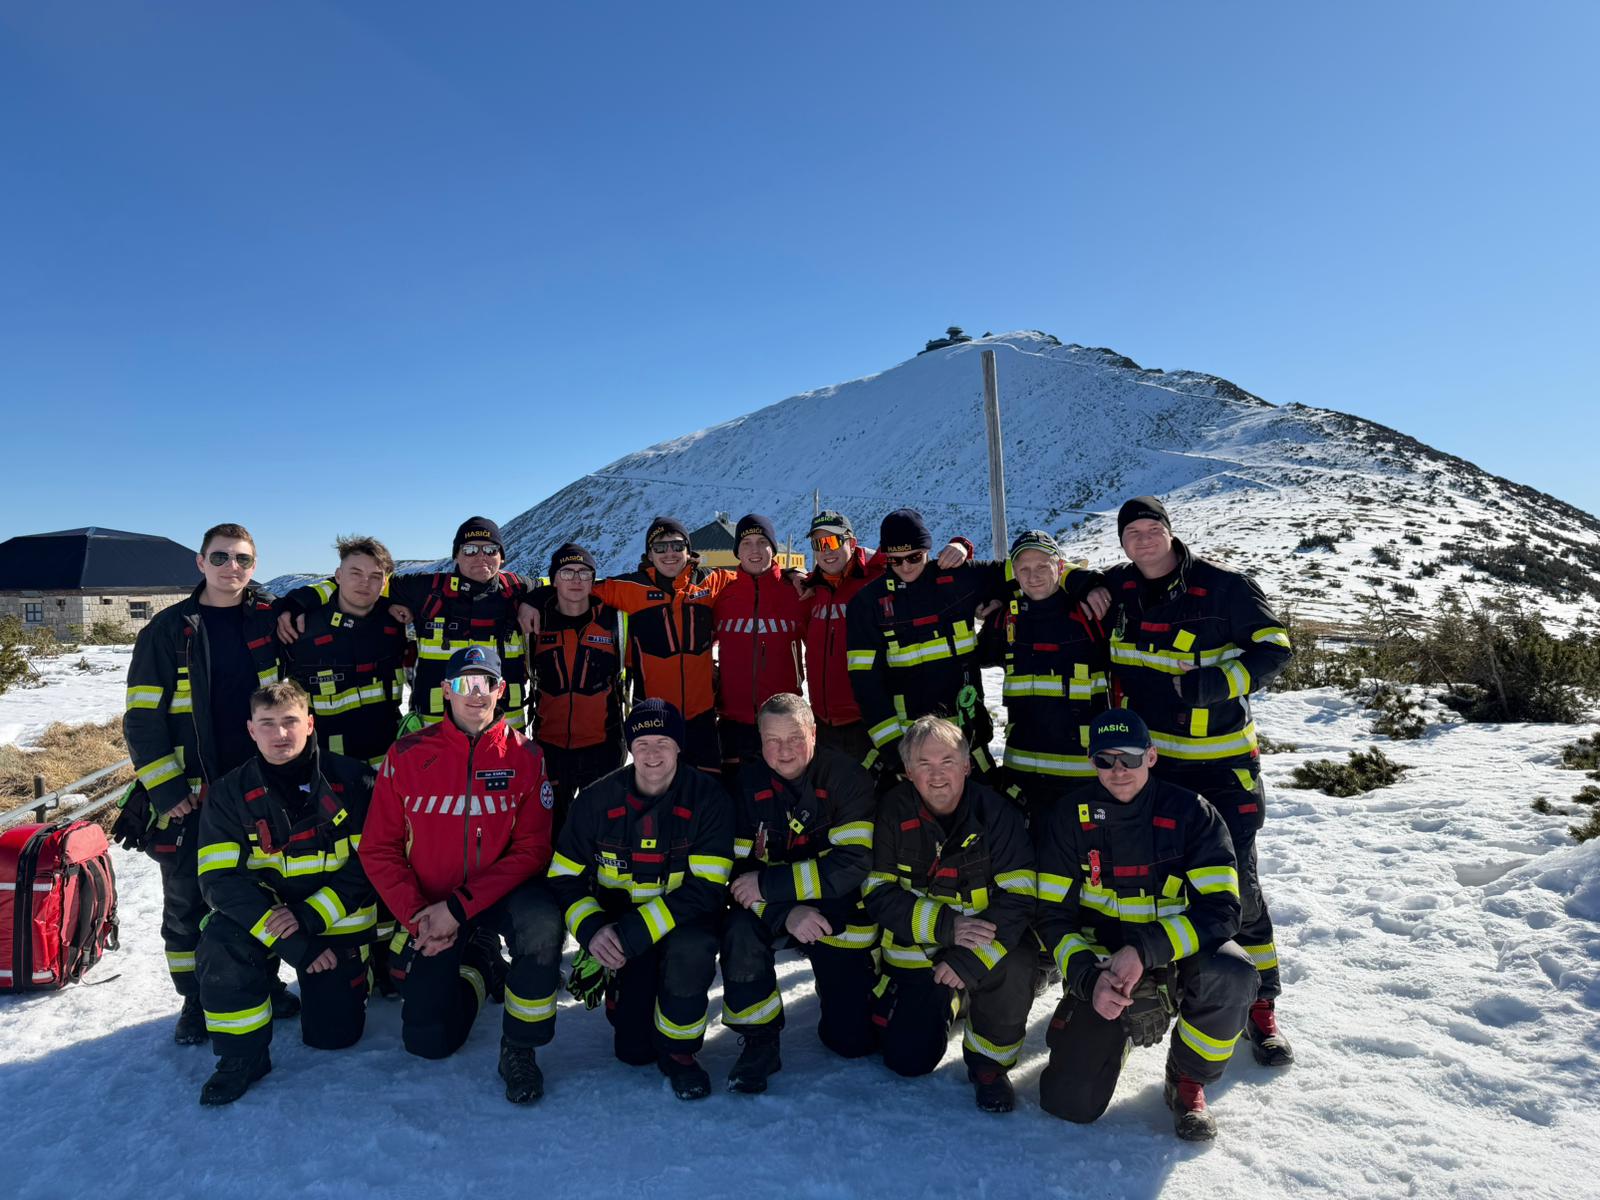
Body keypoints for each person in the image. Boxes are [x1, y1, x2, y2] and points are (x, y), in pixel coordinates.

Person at [1102, 495, 1295, 1065]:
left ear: (1169, 531)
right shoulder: (1121, 591)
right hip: (1158, 772)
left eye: (1151, 529)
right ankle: (1183, 986)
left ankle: (1261, 1008)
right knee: (1167, 883)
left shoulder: (1224, 587)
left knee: (1240, 888)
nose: (1143, 540)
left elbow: (1277, 647)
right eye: (1131, 533)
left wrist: (1221, 681)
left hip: (1222, 769)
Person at [1034, 710, 1258, 1140]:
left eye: (1131, 758)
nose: (1118, 770)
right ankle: (1112, 1036)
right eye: (1105, 760)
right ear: (1091, 761)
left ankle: (1187, 1081)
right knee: (1068, 1104)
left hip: (1175, 959)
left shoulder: (1193, 814)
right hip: (1103, 972)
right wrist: (1086, 979)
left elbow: (1223, 911)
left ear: (1151, 757)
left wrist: (1145, 952)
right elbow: (1053, 918)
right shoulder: (1068, 817)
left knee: (1233, 972)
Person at [360, 646, 564, 1104]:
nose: (475, 695)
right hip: (432, 905)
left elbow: (533, 850)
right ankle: (478, 964)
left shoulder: (527, 756)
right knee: (427, 1040)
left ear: (501, 691)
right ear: (445, 691)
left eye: (485, 684)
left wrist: (460, 907)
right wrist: (418, 917)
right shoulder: (408, 754)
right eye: (464, 684)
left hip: (497, 897)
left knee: (542, 925)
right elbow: (378, 848)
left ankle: (520, 1047)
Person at [115, 521, 290, 1045]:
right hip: (193, 792)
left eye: (241, 559)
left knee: (266, 888)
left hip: (260, 785)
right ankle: (195, 1000)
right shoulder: (166, 631)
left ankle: (265, 982)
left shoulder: (270, 620)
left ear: (253, 567)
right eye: (220, 558)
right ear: (200, 563)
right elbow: (142, 719)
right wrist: (167, 791)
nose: (230, 568)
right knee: (187, 901)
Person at [193, 680, 377, 1104]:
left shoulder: (357, 780)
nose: (280, 734)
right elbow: (220, 881)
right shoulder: (227, 794)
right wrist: (294, 941)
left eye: (290, 722)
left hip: (335, 923)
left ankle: (360, 973)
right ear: (251, 730)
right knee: (221, 942)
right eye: (268, 724)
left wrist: (310, 918)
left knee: (334, 1037)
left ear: (310, 724)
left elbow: (373, 864)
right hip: (268, 923)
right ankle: (243, 1056)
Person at [547, 699, 733, 1100]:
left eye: (663, 741)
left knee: (692, 950)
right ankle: (624, 989)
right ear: (630, 747)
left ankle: (681, 1052)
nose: (653, 753)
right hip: (619, 926)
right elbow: (564, 877)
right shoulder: (596, 801)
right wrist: (594, 932)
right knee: (632, 1051)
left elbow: (707, 888)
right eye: (643, 742)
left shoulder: (708, 799)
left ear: (680, 746)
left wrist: (630, 934)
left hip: (684, 921)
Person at [847, 508, 1105, 788]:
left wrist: (1082, 582)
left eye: (914, 557)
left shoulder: (958, 579)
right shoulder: (867, 604)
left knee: (985, 819)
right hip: (912, 747)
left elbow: (1028, 567)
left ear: (928, 550)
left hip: (967, 740)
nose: (906, 567)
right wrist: (894, 750)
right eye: (895, 561)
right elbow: (866, 685)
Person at [861, 716, 1037, 1112]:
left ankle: (990, 1067)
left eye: (946, 762)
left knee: (1019, 964)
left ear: (967, 766)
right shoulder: (891, 811)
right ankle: (955, 1001)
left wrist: (967, 960)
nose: (936, 775)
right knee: (907, 1061)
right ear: (907, 771)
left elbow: (1019, 895)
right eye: (924, 764)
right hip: (920, 954)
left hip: (985, 947)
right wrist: (946, 928)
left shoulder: (997, 814)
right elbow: (877, 891)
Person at [719, 693, 878, 1093]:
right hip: (774, 909)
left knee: (851, 1042)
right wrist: (785, 913)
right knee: (738, 927)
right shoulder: (747, 784)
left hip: (836, 911)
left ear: (813, 733)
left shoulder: (847, 778)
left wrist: (773, 886)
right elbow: (739, 873)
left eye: (794, 737)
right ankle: (759, 1040)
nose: (784, 749)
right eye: (772, 739)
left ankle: (847, 986)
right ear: (759, 741)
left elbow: (853, 865)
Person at [280, 516, 535, 731]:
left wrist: (531, 601)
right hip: (434, 731)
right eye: (469, 549)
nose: (481, 556)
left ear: (501, 556)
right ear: (456, 555)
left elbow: (560, 588)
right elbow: (359, 580)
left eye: (490, 549)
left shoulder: (517, 588)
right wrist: (300, 601)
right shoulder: (426, 588)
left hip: (505, 732)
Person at [530, 517, 740, 776]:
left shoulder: (710, 582)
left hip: (702, 715)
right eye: (660, 547)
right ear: (649, 554)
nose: (669, 553)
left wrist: (792, 575)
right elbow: (577, 588)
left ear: (689, 549)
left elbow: (755, 577)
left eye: (677, 545)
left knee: (707, 792)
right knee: (658, 795)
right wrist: (532, 599)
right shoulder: (630, 587)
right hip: (654, 716)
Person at [800, 510, 970, 765]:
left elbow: (917, 558)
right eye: (818, 544)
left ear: (852, 542)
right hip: (823, 724)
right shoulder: (809, 591)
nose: (826, 550)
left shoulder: (878, 577)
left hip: (868, 722)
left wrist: (961, 546)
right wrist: (793, 573)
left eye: (834, 541)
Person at [979, 529, 1111, 824]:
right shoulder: (1006, 619)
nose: (1033, 576)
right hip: (1023, 775)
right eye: (1024, 569)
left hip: (1084, 774)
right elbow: (980, 655)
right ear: (1014, 574)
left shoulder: (1090, 613)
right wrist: (994, 601)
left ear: (1060, 567)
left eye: (1042, 566)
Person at [276, 535, 410, 767]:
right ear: (338, 576)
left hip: (387, 762)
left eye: (375, 576)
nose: (364, 582)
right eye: (355, 573)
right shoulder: (301, 627)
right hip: (325, 766)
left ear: (384, 583)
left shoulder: (394, 624)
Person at [527, 542, 625, 832]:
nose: (576, 579)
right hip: (551, 747)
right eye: (567, 572)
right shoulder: (535, 621)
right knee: (554, 829)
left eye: (584, 572)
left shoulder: (614, 619)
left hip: (603, 746)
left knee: (604, 829)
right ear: (553, 579)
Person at [711, 514, 810, 785]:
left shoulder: (797, 592)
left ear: (773, 548)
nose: (754, 550)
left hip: (784, 724)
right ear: (737, 551)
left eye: (762, 542)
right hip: (734, 724)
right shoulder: (723, 597)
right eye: (746, 543)